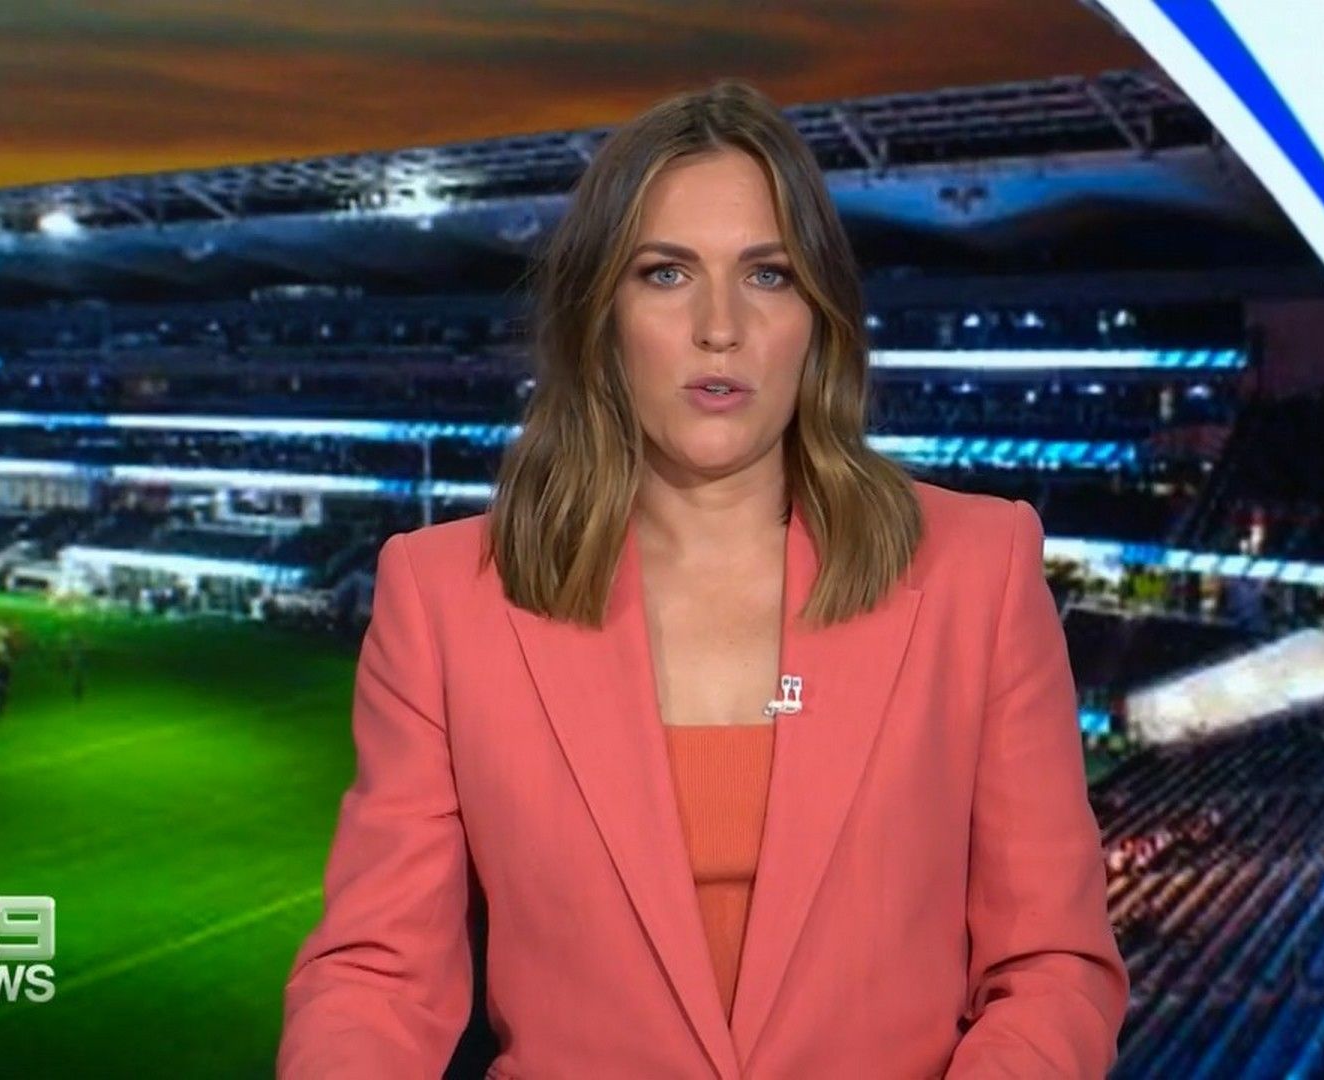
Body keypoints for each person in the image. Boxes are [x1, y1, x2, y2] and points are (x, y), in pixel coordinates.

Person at [279, 79, 1128, 1079]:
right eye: (666, 273)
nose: (719, 326)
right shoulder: (443, 598)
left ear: (818, 315)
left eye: (767, 274)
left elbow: (1051, 966)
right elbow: (378, 979)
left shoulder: (979, 571)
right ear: (600, 313)